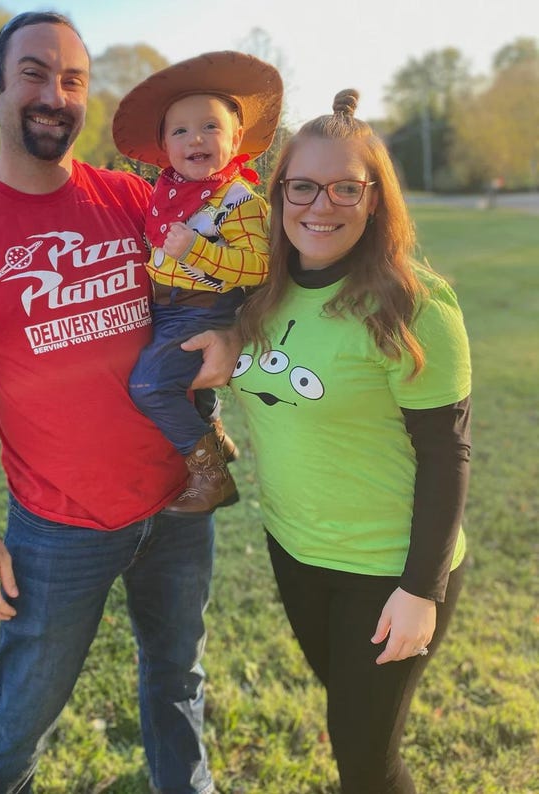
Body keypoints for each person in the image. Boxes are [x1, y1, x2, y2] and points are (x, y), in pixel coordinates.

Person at [0, 12, 232, 794]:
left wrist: (230, 333)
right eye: (34, 74)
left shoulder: (134, 201)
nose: (55, 94)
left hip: (181, 500)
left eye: (73, 79)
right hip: (60, 529)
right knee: (20, 710)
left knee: (178, 678)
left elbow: (221, 275)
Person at [231, 89, 472, 793]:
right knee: (349, 711)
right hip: (295, 548)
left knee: (364, 761)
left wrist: (419, 590)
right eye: (302, 186)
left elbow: (447, 452)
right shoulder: (260, 291)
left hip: (386, 566)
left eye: (345, 187)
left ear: (375, 199)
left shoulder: (413, 303)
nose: (321, 205)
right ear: (277, 195)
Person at [112, 52, 283, 514]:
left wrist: (196, 251)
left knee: (149, 386)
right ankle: (218, 438)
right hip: (169, 305)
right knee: (189, 382)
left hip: (203, 306)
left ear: (236, 139)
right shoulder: (167, 192)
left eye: (210, 127)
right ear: (165, 145)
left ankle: (210, 473)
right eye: (180, 131)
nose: (196, 139)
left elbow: (259, 267)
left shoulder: (237, 198)